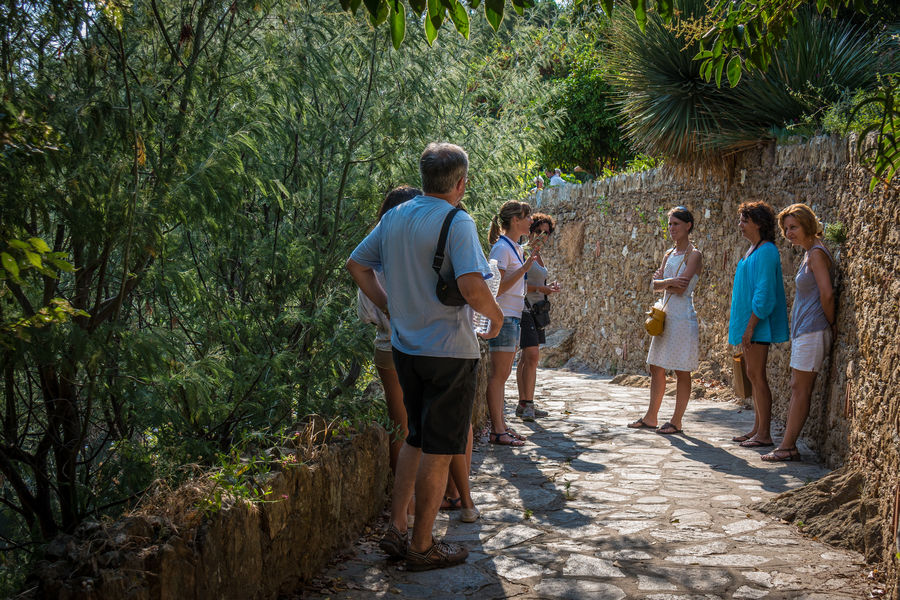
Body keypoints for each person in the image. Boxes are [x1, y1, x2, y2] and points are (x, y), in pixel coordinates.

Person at [347, 142, 503, 571]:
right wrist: (497, 318)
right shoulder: (458, 219)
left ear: (423, 177)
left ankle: (396, 528)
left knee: (415, 436)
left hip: (405, 349)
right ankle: (421, 545)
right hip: (449, 353)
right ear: (460, 183)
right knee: (438, 448)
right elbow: (472, 287)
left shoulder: (395, 216)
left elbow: (357, 264)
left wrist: (390, 306)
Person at [762, 204, 835, 462]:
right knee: (797, 386)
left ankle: (788, 447)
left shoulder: (816, 253)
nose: (788, 232)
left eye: (794, 227)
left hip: (813, 330)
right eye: (786, 228)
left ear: (807, 225)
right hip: (805, 331)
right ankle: (788, 445)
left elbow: (826, 293)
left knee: (800, 389)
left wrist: (831, 323)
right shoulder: (808, 253)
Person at [357, 185, 422, 472]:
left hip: (386, 347)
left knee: (399, 425)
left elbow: (365, 314)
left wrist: (386, 309)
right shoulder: (416, 255)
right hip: (422, 347)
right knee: (426, 422)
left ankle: (403, 504)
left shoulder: (372, 256)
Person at [628, 206, 703, 434]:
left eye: (676, 224)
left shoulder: (695, 254)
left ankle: (676, 420)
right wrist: (666, 283)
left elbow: (682, 287)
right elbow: (655, 285)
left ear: (688, 226)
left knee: (682, 370)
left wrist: (663, 282)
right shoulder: (668, 254)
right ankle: (651, 416)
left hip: (682, 316)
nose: (672, 228)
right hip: (665, 313)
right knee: (656, 366)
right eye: (670, 224)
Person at [728, 201, 789, 448]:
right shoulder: (753, 249)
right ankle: (756, 428)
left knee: (757, 376)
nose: (740, 225)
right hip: (750, 325)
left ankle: (764, 434)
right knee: (753, 375)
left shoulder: (766, 251)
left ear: (759, 223)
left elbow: (764, 295)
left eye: (745, 220)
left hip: (756, 325)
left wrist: (751, 325)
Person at [486, 200, 536, 446]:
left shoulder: (515, 247)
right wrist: (525, 267)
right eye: (527, 217)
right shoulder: (502, 249)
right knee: (499, 375)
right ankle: (497, 429)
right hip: (503, 315)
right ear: (515, 220)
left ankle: (501, 426)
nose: (531, 221)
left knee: (503, 374)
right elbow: (496, 288)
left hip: (513, 315)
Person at [515, 213, 560, 422]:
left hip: (537, 310)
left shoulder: (537, 254)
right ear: (530, 231)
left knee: (527, 357)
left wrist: (547, 288)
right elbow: (517, 283)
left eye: (546, 233)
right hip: (523, 309)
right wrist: (541, 288)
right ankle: (528, 404)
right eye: (538, 231)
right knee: (532, 355)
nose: (542, 236)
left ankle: (523, 403)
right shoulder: (523, 253)